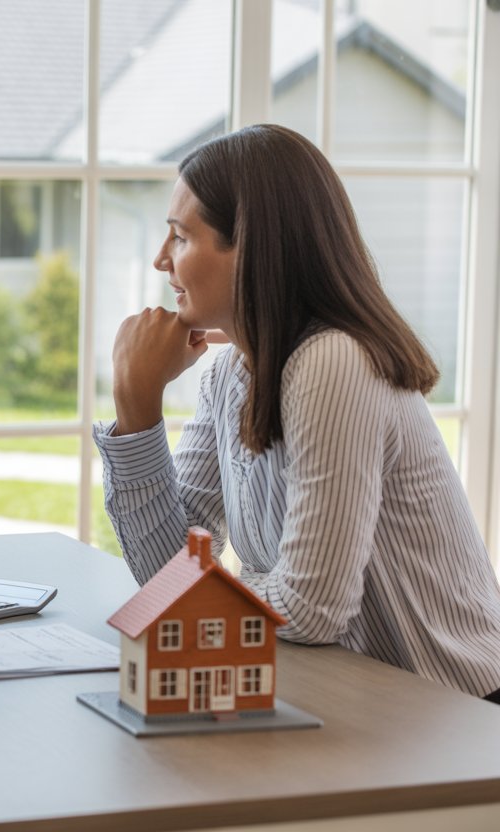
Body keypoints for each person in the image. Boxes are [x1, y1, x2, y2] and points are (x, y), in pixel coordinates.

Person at [95, 123, 500, 702]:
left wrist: (222, 587)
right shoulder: (230, 375)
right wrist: (137, 412)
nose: (162, 260)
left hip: (456, 715)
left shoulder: (334, 361)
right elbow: (171, 580)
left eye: (181, 238)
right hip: (354, 701)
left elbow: (312, 611)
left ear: (251, 249)